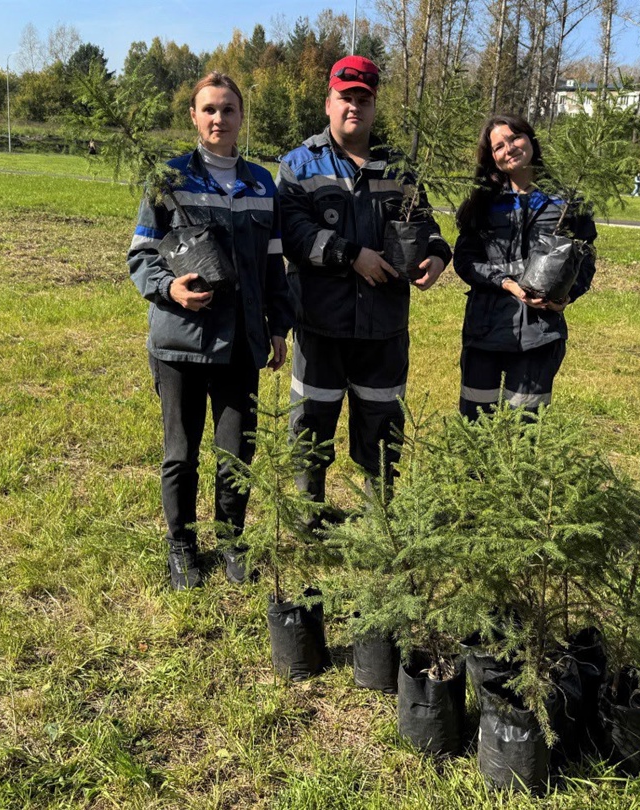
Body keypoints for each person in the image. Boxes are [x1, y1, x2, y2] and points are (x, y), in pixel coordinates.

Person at [127, 72, 293, 590]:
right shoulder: (168, 178)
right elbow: (140, 256)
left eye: (229, 109)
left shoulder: (262, 183)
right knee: (181, 451)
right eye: (209, 110)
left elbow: (272, 266)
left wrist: (278, 328)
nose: (219, 118)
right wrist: (170, 290)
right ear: (194, 118)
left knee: (237, 451)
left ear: (242, 117)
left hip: (242, 342)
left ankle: (231, 542)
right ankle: (182, 546)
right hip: (180, 342)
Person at [276, 55, 451, 513]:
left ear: (374, 106)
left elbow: (427, 223)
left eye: (363, 99)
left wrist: (437, 254)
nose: (354, 106)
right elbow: (292, 233)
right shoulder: (299, 166)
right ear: (328, 103)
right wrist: (350, 255)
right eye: (345, 98)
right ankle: (309, 512)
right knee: (310, 423)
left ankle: (381, 520)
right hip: (320, 323)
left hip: (384, 328)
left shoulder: (400, 169)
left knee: (382, 423)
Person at [453, 113, 597, 420]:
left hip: (540, 332)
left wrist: (566, 298)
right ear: (491, 157)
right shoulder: (482, 203)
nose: (510, 148)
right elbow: (465, 261)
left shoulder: (566, 202)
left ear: (531, 139)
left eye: (515, 137)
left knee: (527, 426)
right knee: (475, 422)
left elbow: (585, 257)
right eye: (498, 146)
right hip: (485, 330)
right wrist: (506, 282)